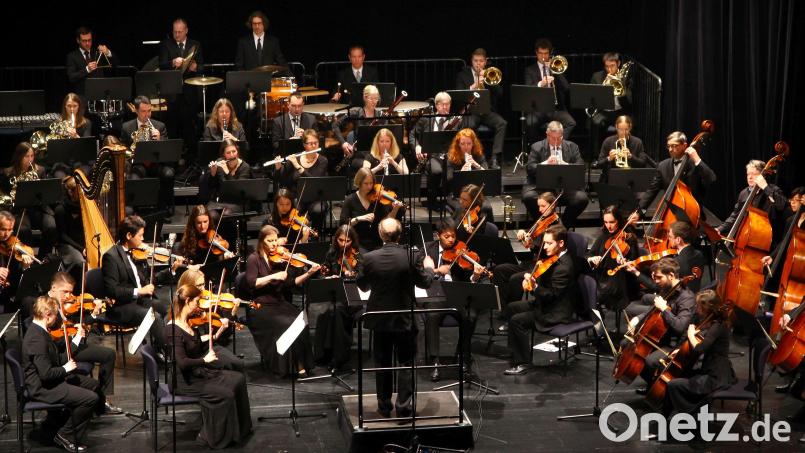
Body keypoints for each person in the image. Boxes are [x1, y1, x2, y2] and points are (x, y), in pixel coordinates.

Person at [356, 218, 436, 417]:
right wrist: (429, 267)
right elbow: (425, 283)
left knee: (382, 363)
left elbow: (363, 286)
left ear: (380, 234)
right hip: (404, 318)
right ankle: (403, 407)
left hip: (379, 318)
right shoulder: (412, 256)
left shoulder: (369, 258)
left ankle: (384, 406)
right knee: (406, 363)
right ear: (399, 235)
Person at [165, 284, 252, 448]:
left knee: (239, 379)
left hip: (198, 373)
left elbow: (198, 345)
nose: (199, 306)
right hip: (183, 381)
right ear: (188, 301)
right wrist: (204, 361)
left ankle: (241, 430)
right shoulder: (173, 330)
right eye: (197, 301)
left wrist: (216, 334)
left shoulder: (189, 323)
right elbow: (182, 363)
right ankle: (214, 437)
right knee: (225, 394)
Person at [23, 296, 101, 452]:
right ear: (48, 316)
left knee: (93, 384)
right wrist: (65, 369)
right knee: (91, 399)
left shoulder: (41, 331)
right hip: (43, 388)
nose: (57, 319)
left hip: (51, 381)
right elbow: (46, 374)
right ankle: (65, 434)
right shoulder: (36, 339)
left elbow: (58, 359)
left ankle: (67, 419)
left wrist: (77, 338)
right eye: (55, 315)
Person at [499, 225, 581, 375]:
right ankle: (515, 350)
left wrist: (534, 287)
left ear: (561, 243)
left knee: (517, 320)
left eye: (549, 243)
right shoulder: (553, 258)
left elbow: (550, 295)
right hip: (546, 304)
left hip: (555, 312)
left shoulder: (564, 267)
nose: (545, 247)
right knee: (511, 308)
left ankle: (523, 362)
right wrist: (531, 278)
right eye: (545, 243)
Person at [417, 219, 487, 381]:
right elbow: (419, 274)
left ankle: (463, 356)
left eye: (453, 236)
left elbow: (468, 280)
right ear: (438, 235)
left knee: (470, 317)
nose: (451, 240)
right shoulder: (427, 249)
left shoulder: (461, 251)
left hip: (455, 294)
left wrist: (475, 275)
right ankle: (435, 361)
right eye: (446, 236)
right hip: (435, 293)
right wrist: (435, 270)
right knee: (433, 315)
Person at [245, 225, 318, 376]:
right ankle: (290, 366)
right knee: (286, 323)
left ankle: (301, 362)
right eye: (269, 241)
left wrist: (309, 272)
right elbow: (252, 282)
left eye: (275, 241)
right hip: (260, 305)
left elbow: (291, 283)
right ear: (261, 241)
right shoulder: (254, 259)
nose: (274, 244)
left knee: (301, 320)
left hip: (279, 302)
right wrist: (273, 276)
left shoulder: (278, 259)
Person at [47, 272, 121, 414]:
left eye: (71, 292)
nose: (69, 296)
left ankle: (102, 399)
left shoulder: (66, 304)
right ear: (54, 288)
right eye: (65, 292)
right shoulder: (44, 305)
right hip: (61, 350)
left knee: (109, 354)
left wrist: (93, 314)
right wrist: (73, 334)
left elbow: (75, 324)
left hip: (72, 343)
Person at [101, 215, 181, 346]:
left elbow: (149, 280)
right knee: (153, 317)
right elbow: (112, 290)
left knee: (170, 310)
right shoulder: (111, 257)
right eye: (140, 235)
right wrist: (138, 291)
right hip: (122, 306)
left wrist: (171, 270)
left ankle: (161, 348)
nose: (143, 239)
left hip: (139, 301)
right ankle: (169, 353)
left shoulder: (135, 253)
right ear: (128, 236)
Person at [623, 257, 695, 391]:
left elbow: (680, 327)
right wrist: (638, 319)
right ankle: (652, 384)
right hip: (662, 336)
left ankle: (661, 389)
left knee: (649, 361)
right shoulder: (667, 289)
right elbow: (652, 311)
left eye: (658, 277)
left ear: (671, 275)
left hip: (675, 344)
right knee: (627, 344)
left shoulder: (687, 298)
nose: (655, 281)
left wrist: (664, 309)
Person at [664, 289, 736, 415]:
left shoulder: (718, 326)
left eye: (699, 306)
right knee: (682, 377)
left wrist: (691, 335)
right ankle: (684, 417)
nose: (697, 309)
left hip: (715, 376)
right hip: (712, 370)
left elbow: (700, 349)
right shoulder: (715, 323)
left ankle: (682, 417)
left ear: (709, 309)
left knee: (672, 385)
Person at [492, 191, 561, 305]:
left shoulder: (557, 227)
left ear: (553, 205)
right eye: (539, 206)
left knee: (515, 279)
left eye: (543, 206)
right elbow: (530, 236)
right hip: (532, 262)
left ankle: (511, 309)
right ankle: (503, 305)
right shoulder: (542, 220)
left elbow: (548, 253)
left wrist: (533, 245)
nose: (540, 210)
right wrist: (523, 234)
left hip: (543, 266)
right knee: (499, 270)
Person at [313, 225, 363, 370]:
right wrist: (329, 276)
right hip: (336, 296)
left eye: (347, 241)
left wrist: (354, 276)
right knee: (324, 313)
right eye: (341, 240)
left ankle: (339, 357)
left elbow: (364, 278)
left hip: (354, 298)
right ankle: (324, 354)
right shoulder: (332, 254)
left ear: (352, 241)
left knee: (337, 312)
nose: (343, 244)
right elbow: (324, 272)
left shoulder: (359, 255)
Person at [522, 120, 590, 227]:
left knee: (581, 199)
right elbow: (530, 168)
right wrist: (545, 163)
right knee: (529, 197)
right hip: (542, 188)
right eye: (553, 138)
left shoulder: (572, 147)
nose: (556, 141)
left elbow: (581, 167)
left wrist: (565, 164)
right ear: (547, 135)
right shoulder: (537, 147)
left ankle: (562, 226)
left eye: (559, 138)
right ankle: (544, 225)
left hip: (565, 188)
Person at [409, 91, 470, 209]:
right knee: (436, 171)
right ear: (436, 105)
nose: (445, 107)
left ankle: (449, 201)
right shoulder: (427, 119)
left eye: (447, 104)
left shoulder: (455, 121)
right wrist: (417, 146)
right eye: (442, 104)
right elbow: (412, 134)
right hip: (432, 156)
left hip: (449, 155)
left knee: (451, 175)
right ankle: (432, 201)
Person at [0, 142, 58, 258]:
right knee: (23, 230)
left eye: (32, 156)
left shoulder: (40, 170)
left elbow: (46, 193)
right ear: (19, 157)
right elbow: (5, 194)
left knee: (51, 226)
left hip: (39, 209)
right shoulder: (8, 173)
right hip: (21, 210)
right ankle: (27, 258)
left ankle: (43, 258)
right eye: (27, 156)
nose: (30, 159)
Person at [639, 131, 716, 217]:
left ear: (684, 145)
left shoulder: (694, 164)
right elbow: (652, 191)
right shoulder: (662, 166)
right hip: (669, 213)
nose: (670, 149)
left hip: (691, 215)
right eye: (668, 146)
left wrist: (696, 158)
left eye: (674, 146)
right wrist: (639, 212)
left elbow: (711, 179)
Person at [121, 95, 174, 215]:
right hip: (138, 164)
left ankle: (164, 209)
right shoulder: (127, 127)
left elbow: (168, 151)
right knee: (134, 178)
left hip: (156, 163)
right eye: (143, 111)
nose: (147, 114)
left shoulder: (160, 126)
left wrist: (160, 139)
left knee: (168, 174)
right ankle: (135, 212)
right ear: (136, 110)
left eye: (149, 110)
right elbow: (123, 149)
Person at [455, 48, 507, 169]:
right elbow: (458, 95)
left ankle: (494, 158)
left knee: (502, 123)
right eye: (475, 61)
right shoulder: (463, 75)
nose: (478, 64)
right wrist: (474, 86)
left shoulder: (490, 73)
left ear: (486, 62)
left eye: (481, 61)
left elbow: (500, 94)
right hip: (471, 112)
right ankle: (471, 157)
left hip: (487, 111)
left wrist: (489, 82)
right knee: (469, 126)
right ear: (471, 61)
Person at [624, 221, 706, 294]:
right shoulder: (699, 254)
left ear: (678, 240)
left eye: (670, 237)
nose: (668, 239)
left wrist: (636, 272)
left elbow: (657, 287)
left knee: (645, 298)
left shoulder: (675, 264)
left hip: (676, 302)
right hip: (695, 295)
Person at [159, 18, 204, 148]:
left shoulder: (195, 44)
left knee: (189, 128)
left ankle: (191, 158)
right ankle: (173, 160)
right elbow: (162, 65)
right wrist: (173, 62)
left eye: (179, 32)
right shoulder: (166, 44)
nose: (177, 35)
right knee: (172, 128)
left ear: (186, 31)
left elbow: (202, 66)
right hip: (172, 94)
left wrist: (195, 68)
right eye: (175, 32)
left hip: (190, 93)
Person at [717, 159, 787, 243]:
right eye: (748, 174)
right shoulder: (744, 193)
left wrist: (765, 187)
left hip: (768, 240)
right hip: (746, 239)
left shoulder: (772, 190)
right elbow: (735, 216)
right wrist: (720, 229)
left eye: (754, 174)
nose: (750, 177)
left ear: (762, 176)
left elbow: (782, 205)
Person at [585, 206, 640, 311]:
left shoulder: (629, 237)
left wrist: (624, 261)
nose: (608, 226)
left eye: (612, 222)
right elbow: (589, 254)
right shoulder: (604, 235)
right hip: (603, 275)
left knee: (597, 293)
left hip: (621, 279)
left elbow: (635, 263)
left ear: (618, 220)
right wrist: (592, 258)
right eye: (606, 222)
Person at [340, 168, 404, 252]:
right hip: (357, 242)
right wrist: (358, 218)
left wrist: (395, 209)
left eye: (371, 183)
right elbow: (343, 225)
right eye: (366, 183)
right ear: (359, 183)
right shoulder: (350, 200)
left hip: (377, 242)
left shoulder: (378, 198)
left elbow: (386, 221)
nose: (369, 187)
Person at [524, 38, 575, 142]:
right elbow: (528, 89)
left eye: (546, 53)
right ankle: (539, 149)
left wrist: (555, 72)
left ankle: (555, 145)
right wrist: (540, 84)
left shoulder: (557, 66)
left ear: (550, 53)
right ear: (536, 53)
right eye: (540, 53)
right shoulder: (529, 70)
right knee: (529, 123)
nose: (543, 56)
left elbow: (566, 88)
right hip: (538, 110)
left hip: (556, 109)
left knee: (571, 123)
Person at [332, 84, 387, 174]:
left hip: (376, 155)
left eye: (376, 98)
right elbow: (335, 125)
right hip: (359, 156)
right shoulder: (356, 112)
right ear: (365, 98)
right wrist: (343, 143)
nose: (374, 102)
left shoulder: (381, 116)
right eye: (371, 98)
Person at [592, 115, 654, 183]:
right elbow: (599, 164)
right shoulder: (608, 141)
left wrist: (630, 156)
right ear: (616, 127)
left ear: (630, 127)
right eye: (620, 129)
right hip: (611, 179)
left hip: (631, 179)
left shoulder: (637, 142)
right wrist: (609, 158)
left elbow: (643, 164)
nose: (623, 133)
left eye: (626, 129)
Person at [588, 52, 631, 149]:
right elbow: (592, 98)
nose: (610, 69)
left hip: (620, 111)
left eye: (612, 66)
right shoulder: (597, 77)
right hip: (603, 111)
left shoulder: (625, 78)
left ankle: (624, 153)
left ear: (618, 63)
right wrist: (604, 88)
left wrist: (620, 92)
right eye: (607, 66)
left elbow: (629, 102)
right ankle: (598, 156)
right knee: (596, 123)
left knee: (624, 124)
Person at [0, 210, 34, 313]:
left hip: (12, 289)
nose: (7, 234)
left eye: (10, 230)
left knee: (29, 303)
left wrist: (25, 266)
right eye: (3, 229)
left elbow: (20, 273)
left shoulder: (13, 243)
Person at [199, 139, 253, 204]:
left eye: (234, 151)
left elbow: (237, 190)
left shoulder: (245, 167)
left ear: (238, 151)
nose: (232, 155)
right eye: (228, 153)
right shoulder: (220, 163)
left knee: (226, 212)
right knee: (212, 213)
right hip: (222, 200)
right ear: (224, 154)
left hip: (238, 202)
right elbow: (212, 186)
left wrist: (227, 172)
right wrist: (213, 173)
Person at [65, 26, 114, 95]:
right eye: (84, 41)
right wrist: (87, 69)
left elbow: (115, 64)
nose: (87, 43)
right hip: (82, 96)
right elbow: (71, 77)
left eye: (89, 40)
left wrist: (108, 52)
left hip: (99, 94)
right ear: (78, 40)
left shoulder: (97, 52)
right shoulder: (72, 56)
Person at [53, 176, 86, 272]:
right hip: (67, 245)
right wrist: (81, 249)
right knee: (80, 262)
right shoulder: (60, 209)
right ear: (70, 192)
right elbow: (63, 236)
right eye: (79, 191)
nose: (82, 193)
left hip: (82, 243)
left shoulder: (85, 207)